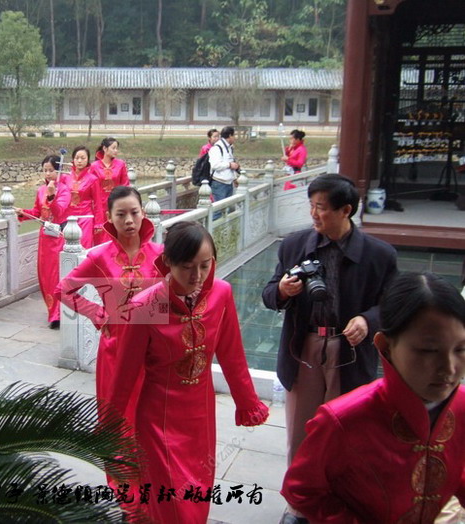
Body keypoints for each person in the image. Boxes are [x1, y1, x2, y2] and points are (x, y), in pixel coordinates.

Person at [109, 221, 269, 524]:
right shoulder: (147, 305)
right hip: (158, 419)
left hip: (200, 417)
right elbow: (124, 375)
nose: (197, 276)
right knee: (171, 501)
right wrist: (109, 428)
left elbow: (232, 354)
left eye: (205, 265)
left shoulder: (221, 294)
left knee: (196, 494)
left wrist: (247, 403)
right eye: (187, 267)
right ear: (168, 262)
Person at [261, 174, 397, 523]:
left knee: (345, 432)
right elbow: (269, 294)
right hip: (304, 347)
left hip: (349, 349)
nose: (313, 214)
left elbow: (393, 305)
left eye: (321, 207)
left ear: (345, 210)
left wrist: (367, 320)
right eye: (311, 205)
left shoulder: (380, 255)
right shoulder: (295, 246)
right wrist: (283, 291)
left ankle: (340, 503)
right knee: (301, 432)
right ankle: (299, 505)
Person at [281, 272, 465, 523]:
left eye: (460, 349)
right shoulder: (344, 419)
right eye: (428, 350)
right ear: (385, 346)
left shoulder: (461, 406)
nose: (449, 368)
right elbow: (300, 489)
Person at [55, 186, 162, 422]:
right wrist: (98, 314)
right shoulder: (100, 257)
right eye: (121, 214)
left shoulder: (161, 255)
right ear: (109, 217)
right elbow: (63, 290)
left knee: (150, 418)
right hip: (116, 349)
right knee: (115, 417)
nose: (129, 220)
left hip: (153, 351)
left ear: (143, 212)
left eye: (134, 212)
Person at [16, 155, 71, 329]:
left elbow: (59, 211)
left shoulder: (64, 190)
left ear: (58, 171)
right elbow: (37, 212)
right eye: (45, 170)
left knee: (56, 275)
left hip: (58, 238)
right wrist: (23, 212)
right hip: (44, 239)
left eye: (51, 170)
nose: (47, 174)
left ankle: (58, 314)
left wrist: (52, 196)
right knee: (45, 276)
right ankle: (52, 311)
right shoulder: (41, 190)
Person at [90, 137, 130, 245]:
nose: (116, 151)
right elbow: (91, 188)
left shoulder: (120, 164)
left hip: (116, 204)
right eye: (113, 148)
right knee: (100, 236)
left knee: (116, 234)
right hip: (99, 206)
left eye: (117, 148)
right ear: (105, 148)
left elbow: (125, 185)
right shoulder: (94, 166)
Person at [62, 145, 103, 249]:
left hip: (86, 219)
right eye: (77, 158)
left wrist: (98, 223)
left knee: (84, 249)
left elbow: (98, 203)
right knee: (67, 249)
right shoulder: (65, 177)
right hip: (68, 219)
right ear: (73, 159)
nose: (79, 161)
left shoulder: (93, 179)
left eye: (83, 158)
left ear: (88, 160)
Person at [208, 125, 240, 203]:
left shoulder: (229, 147)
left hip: (228, 183)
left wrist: (234, 178)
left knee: (227, 207)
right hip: (219, 183)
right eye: (234, 135)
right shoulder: (217, 148)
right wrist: (229, 165)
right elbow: (215, 165)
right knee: (219, 208)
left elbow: (230, 161)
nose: (235, 138)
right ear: (230, 136)